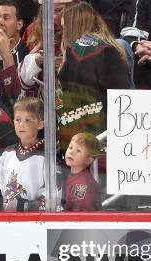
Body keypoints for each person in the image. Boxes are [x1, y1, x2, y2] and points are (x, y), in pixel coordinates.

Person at [56, 2, 131, 152]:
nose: (63, 33)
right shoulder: (108, 46)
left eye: (65, 28)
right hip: (115, 132)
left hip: (90, 135)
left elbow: (76, 97)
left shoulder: (79, 49)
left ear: (73, 25)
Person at [0, 97, 47, 211]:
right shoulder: (8, 153)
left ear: (40, 124)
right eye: (18, 120)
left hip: (35, 223)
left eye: (28, 120)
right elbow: (0, 184)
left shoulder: (47, 156)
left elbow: (52, 195)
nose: (21, 124)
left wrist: (22, 206)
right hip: (8, 221)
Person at [62, 132, 102, 211]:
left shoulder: (82, 184)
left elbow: (81, 214)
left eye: (78, 151)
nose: (71, 152)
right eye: (70, 147)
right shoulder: (71, 175)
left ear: (88, 160)